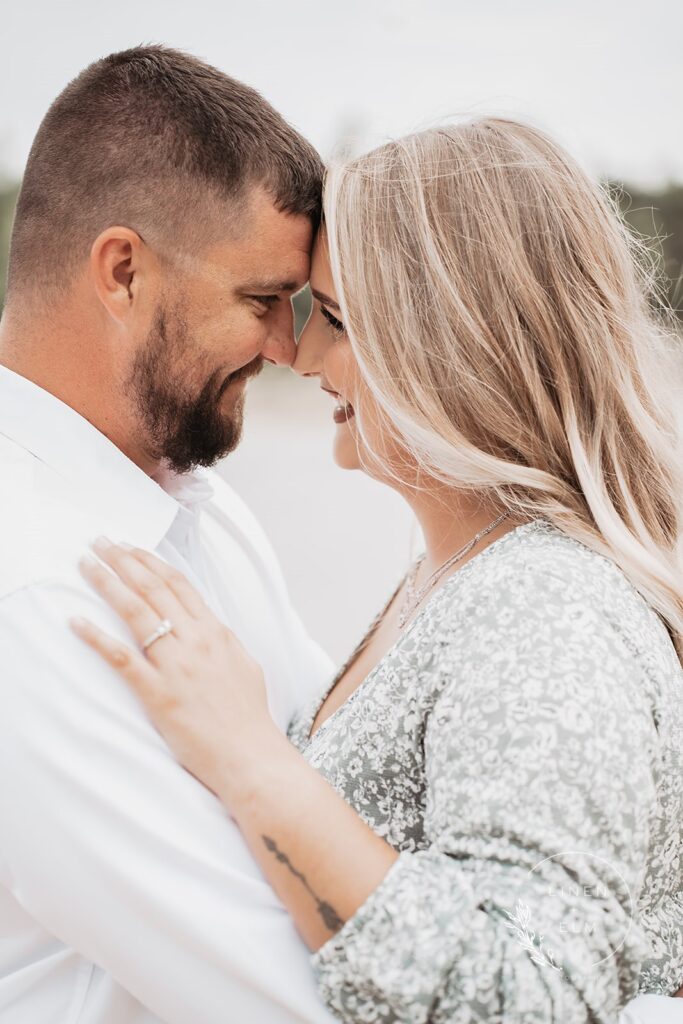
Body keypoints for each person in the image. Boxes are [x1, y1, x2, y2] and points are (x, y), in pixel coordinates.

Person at [73, 119, 683, 1022]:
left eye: (342, 322)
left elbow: (537, 996)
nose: (302, 355)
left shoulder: (545, 609)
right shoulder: (466, 573)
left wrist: (250, 760)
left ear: (458, 341)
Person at [0, 46, 339, 1023]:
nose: (287, 346)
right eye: (259, 300)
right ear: (121, 271)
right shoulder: (37, 598)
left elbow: (345, 784)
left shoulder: (191, 500)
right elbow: (291, 997)